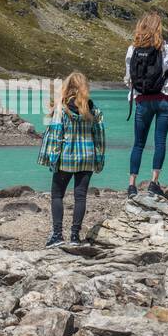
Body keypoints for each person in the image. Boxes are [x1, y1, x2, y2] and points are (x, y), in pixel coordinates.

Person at [37, 72, 106, 247]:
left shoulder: (62, 108)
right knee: (80, 197)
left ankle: (58, 235)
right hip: (87, 157)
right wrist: (99, 159)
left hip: (66, 158)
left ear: (67, 87)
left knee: (57, 195)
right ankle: (75, 237)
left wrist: (51, 159)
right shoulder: (93, 108)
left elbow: (55, 136)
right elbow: (99, 136)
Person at [125, 11, 168, 198]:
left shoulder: (132, 50)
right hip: (164, 99)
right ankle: (153, 182)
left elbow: (128, 78)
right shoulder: (166, 49)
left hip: (142, 100)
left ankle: (132, 185)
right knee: (160, 141)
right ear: (159, 28)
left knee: (138, 143)